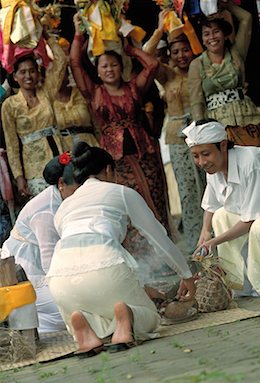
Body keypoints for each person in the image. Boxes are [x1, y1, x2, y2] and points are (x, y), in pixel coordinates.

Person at [47, 142, 195, 357]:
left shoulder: (64, 207)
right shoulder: (122, 192)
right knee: (151, 316)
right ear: (108, 170)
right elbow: (158, 238)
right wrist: (187, 275)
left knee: (91, 305)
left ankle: (85, 326)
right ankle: (127, 319)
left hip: (60, 282)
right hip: (106, 271)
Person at [69, 13, 170, 242]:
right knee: (126, 203)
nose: (110, 69)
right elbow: (74, 62)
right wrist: (78, 35)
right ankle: (138, 257)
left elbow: (152, 64)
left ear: (121, 66)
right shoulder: (94, 93)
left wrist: (130, 49)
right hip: (115, 159)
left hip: (145, 152)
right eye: (104, 66)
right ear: (97, 71)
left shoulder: (134, 87)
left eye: (114, 64)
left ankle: (163, 253)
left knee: (154, 200)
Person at [182, 119, 260, 299]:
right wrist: (205, 232)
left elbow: (251, 220)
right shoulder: (214, 167)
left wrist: (213, 242)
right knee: (221, 216)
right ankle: (241, 282)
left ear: (223, 145)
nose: (202, 162)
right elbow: (212, 205)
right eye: (196, 156)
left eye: (205, 154)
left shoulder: (251, 162)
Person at [144, 9, 206, 253]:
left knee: (209, 187)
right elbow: (145, 56)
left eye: (185, 49)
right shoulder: (167, 74)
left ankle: (216, 238)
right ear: (169, 54)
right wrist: (160, 28)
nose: (181, 55)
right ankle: (195, 243)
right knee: (188, 192)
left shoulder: (201, 67)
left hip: (202, 133)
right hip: (177, 137)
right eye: (176, 51)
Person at [1, 154, 79, 333]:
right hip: (24, 273)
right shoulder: (45, 209)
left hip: (40, 270)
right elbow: (49, 263)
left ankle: (37, 318)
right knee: (75, 306)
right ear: (61, 184)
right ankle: (35, 320)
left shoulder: (61, 198)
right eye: (77, 187)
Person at [188, 0, 260, 148]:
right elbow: (196, 102)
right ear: (202, 40)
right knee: (231, 167)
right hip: (218, 124)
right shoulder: (197, 65)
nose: (212, 37)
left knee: (257, 160)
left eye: (216, 31)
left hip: (246, 117)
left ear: (225, 35)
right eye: (206, 34)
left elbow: (246, 18)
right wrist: (201, 129)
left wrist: (225, 5)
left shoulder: (236, 54)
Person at [1, 31, 67, 198]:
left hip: (61, 157)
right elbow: (12, 145)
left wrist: (44, 35)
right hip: (34, 169)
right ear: (14, 77)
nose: (28, 76)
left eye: (32, 71)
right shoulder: (10, 105)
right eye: (22, 72)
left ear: (38, 73)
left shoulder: (46, 92)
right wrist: (19, 177)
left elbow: (61, 60)